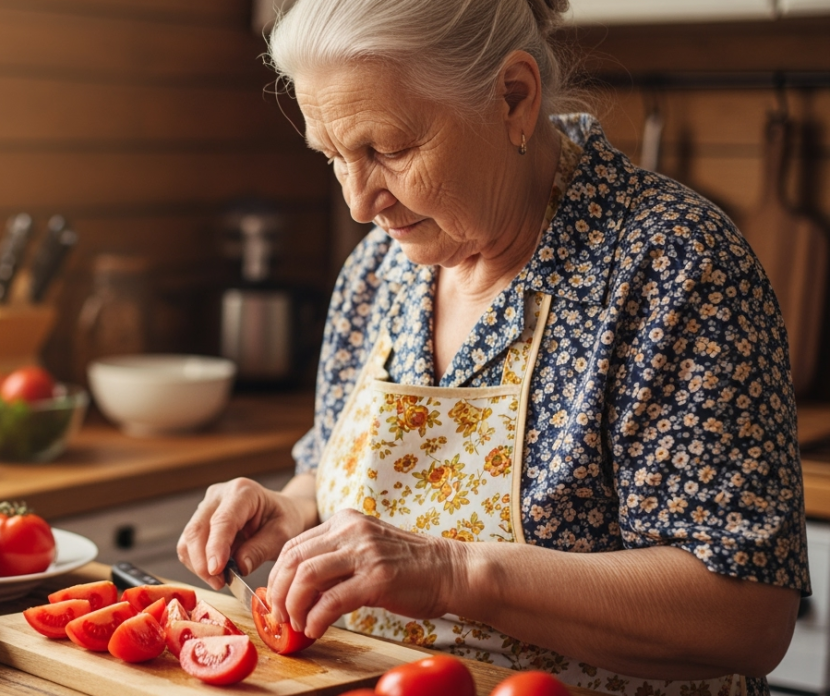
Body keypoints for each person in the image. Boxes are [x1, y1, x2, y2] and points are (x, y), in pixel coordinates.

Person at [177, 1, 809, 694]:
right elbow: (331, 466)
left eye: (387, 150)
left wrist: (454, 573)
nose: (360, 202)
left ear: (513, 98)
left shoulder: (674, 267)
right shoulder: (378, 270)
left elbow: (747, 617)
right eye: (334, 157)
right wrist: (294, 507)